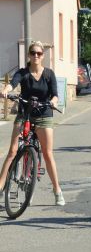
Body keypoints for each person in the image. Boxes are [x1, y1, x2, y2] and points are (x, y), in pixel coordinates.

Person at [0, 41, 65, 205]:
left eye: (39, 53)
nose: (36, 56)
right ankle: (1, 188)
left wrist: (54, 101)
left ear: (43, 55)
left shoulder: (49, 74)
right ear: (29, 55)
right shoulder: (23, 73)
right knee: (13, 151)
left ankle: (57, 190)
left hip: (44, 114)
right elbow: (12, 83)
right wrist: (6, 90)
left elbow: (55, 94)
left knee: (48, 153)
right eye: (33, 53)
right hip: (24, 113)